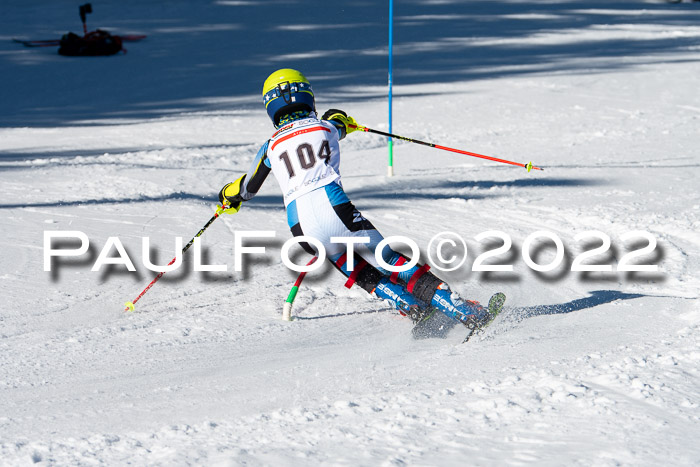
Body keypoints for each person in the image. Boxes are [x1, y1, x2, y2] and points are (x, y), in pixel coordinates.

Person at [218, 69, 497, 330]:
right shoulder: (324, 127)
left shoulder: (270, 146)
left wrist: (229, 196)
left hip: (301, 227)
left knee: (347, 260)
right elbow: (339, 120)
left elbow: (247, 188)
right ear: (307, 96)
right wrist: (342, 119)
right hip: (336, 209)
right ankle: (465, 311)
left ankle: (409, 305)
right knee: (388, 258)